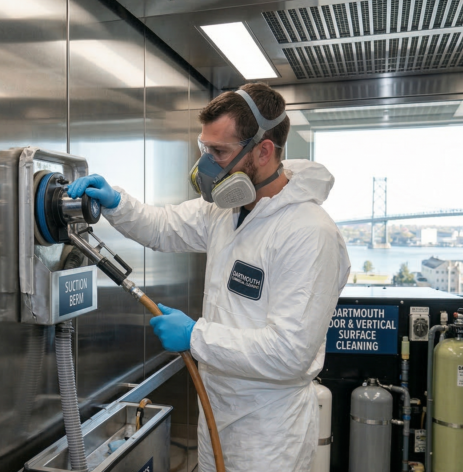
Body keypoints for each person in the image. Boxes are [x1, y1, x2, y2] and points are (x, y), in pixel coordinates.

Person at [66, 83, 351, 472]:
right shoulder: (225, 211)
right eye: (205, 150)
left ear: (263, 151)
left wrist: (195, 336)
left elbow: (289, 353)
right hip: (217, 412)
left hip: (268, 436)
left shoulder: (308, 233)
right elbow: (165, 227)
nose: (207, 167)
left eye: (219, 152)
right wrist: (116, 202)